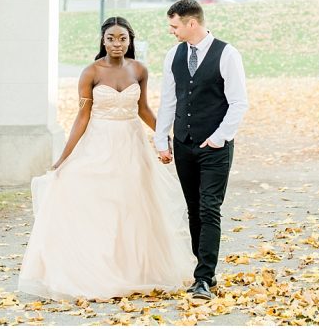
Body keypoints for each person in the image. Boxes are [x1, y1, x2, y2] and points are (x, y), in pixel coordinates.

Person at [18, 16, 194, 301]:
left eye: (122, 38)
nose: (116, 43)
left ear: (130, 41)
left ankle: (135, 271)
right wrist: (64, 157)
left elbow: (144, 110)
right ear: (103, 40)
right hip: (99, 144)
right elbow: (82, 116)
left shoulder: (139, 69)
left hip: (132, 146)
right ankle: (99, 270)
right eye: (111, 38)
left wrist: (165, 138)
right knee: (101, 205)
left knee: (133, 207)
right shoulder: (91, 73)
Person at [155, 0, 248, 301]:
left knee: (210, 208)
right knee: (193, 208)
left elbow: (238, 102)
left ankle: (203, 278)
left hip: (215, 147)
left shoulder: (227, 54)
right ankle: (204, 269)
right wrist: (162, 139)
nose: (172, 32)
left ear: (191, 23)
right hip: (184, 144)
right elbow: (169, 100)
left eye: (174, 26)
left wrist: (220, 137)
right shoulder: (173, 55)